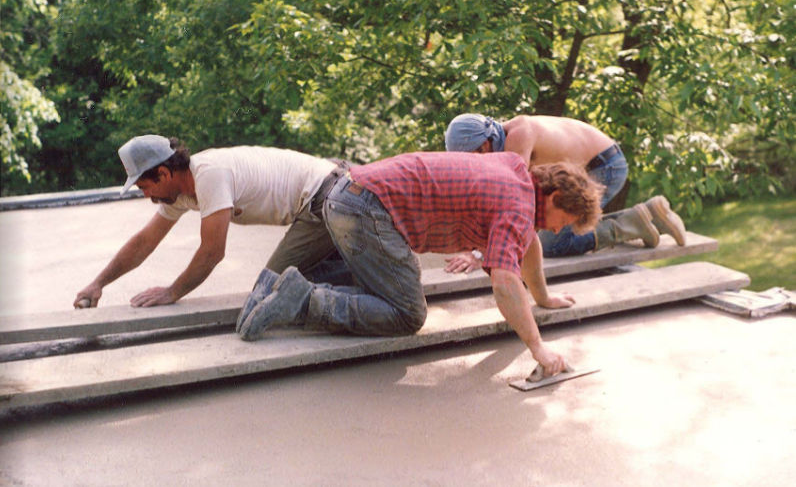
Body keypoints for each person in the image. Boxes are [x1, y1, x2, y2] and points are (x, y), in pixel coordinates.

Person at [237, 151, 604, 378]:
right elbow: (506, 282)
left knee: (386, 284)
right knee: (407, 313)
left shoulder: (517, 173)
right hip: (368, 211)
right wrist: (538, 348)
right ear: (554, 196)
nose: (560, 229)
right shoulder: (519, 206)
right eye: (565, 220)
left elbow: (528, 247)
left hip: (348, 195)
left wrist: (542, 298)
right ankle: (303, 300)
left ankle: (282, 287)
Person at [73, 135, 348, 309]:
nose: (147, 196)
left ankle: (354, 275)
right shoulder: (178, 194)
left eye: (144, 187)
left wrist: (172, 292)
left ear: (163, 173)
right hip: (319, 198)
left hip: (326, 196)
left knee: (269, 292)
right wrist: (99, 283)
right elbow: (145, 241)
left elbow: (212, 251)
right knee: (283, 285)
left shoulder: (209, 175)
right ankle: (349, 266)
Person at [443, 113, 686, 273]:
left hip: (605, 167)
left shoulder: (517, 142)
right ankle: (646, 214)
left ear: (485, 144)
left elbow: (515, 206)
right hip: (587, 168)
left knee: (551, 243)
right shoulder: (506, 136)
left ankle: (630, 225)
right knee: (536, 240)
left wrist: (477, 253)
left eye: (472, 157)